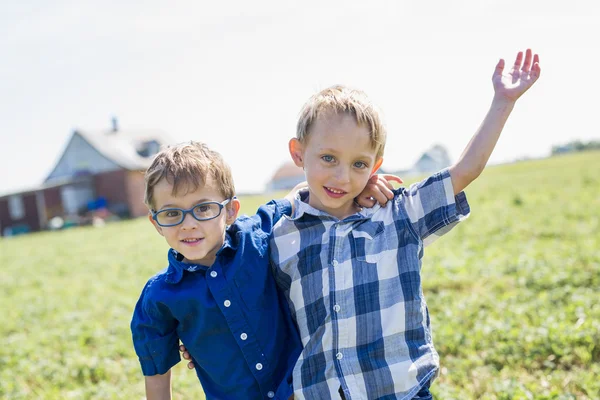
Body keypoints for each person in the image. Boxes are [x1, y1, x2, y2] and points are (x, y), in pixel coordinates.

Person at [269, 49, 541, 399]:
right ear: (298, 153)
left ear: (376, 166)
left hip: (403, 391)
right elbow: (266, 316)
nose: (342, 175)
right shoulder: (282, 235)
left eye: (358, 164)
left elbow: (464, 171)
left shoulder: (398, 214)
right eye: (328, 158)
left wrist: (503, 102)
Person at [130, 141, 402, 400]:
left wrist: (361, 184)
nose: (188, 224)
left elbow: (300, 194)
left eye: (204, 208)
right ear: (156, 223)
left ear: (231, 211)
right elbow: (156, 370)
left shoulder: (256, 235)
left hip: (303, 390)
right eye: (171, 213)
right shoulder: (159, 297)